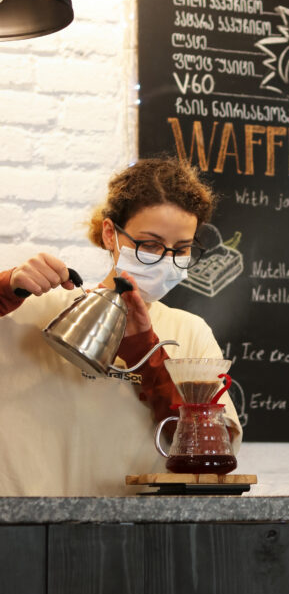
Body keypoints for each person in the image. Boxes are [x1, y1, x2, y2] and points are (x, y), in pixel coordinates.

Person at [0, 157, 241, 496]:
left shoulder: (189, 332)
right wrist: (6, 288)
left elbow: (215, 454)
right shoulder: (35, 310)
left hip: (140, 536)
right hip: (29, 533)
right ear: (111, 233)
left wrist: (147, 352)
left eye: (182, 249)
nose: (165, 261)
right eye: (150, 245)